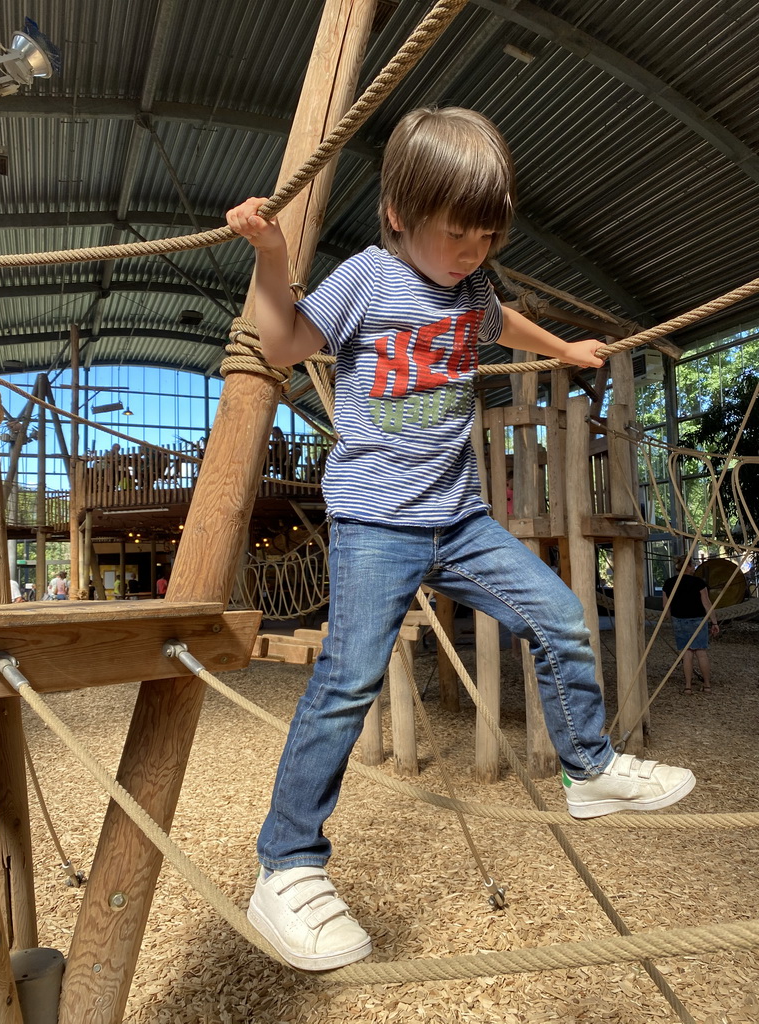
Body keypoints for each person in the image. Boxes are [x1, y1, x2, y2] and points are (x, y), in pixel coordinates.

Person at [226, 106, 695, 971]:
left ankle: (588, 770)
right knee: (348, 680)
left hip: (460, 517)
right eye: (457, 234)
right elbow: (286, 343)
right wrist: (271, 254)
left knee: (558, 615)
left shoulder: (473, 286)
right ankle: (286, 865)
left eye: (488, 235)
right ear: (400, 214)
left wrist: (567, 350)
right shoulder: (369, 276)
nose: (474, 252)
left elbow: (502, 320)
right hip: (374, 520)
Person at [662, 555, 719, 693]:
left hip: (679, 620)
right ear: (687, 567)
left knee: (687, 653)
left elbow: (666, 608)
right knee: (701, 653)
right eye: (692, 565)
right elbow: (706, 603)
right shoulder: (698, 582)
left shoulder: (669, 583)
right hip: (698, 620)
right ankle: (707, 685)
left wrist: (667, 620)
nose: (694, 568)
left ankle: (688, 686)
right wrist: (714, 622)